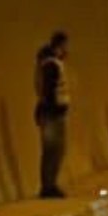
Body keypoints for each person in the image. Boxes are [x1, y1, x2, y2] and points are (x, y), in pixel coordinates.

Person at [34, 32, 70, 199]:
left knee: (53, 150)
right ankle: (48, 186)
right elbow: (49, 91)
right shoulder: (51, 64)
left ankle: (49, 184)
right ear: (59, 46)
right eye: (65, 46)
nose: (67, 50)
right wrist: (53, 109)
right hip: (52, 114)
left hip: (50, 113)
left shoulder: (50, 63)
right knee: (54, 150)